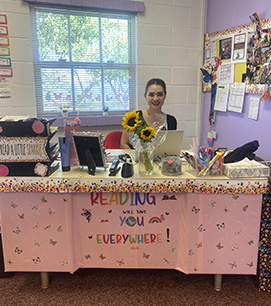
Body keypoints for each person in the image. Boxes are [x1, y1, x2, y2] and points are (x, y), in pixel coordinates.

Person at [120, 78, 177, 149]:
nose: (155, 98)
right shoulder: (135, 117)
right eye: (151, 95)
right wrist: (137, 157)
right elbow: (123, 144)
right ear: (145, 96)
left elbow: (171, 147)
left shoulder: (171, 121)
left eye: (159, 94)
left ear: (164, 96)